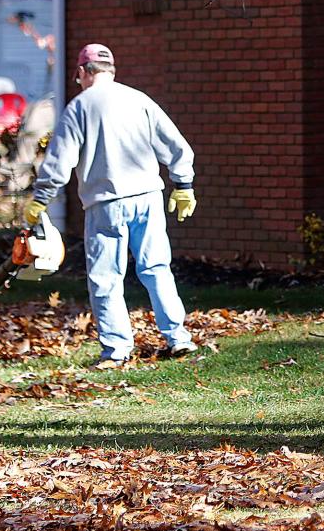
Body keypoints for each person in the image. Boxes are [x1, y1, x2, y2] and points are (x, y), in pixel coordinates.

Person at [24, 43, 198, 363]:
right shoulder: (139, 100)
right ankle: (178, 338)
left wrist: (41, 198)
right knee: (157, 268)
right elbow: (174, 145)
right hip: (148, 197)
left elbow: (60, 162)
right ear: (111, 70)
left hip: (106, 203)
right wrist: (183, 185)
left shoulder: (80, 107)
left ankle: (117, 350)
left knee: (106, 278)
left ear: (82, 73)